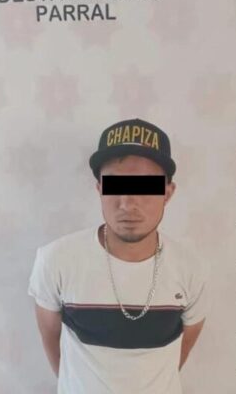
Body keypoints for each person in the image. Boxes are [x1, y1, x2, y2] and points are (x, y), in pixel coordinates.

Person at [28, 118, 210, 394]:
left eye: (146, 187)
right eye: (115, 185)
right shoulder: (56, 260)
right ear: (100, 189)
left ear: (167, 193)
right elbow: (51, 340)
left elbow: (182, 349)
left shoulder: (191, 268)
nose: (127, 203)